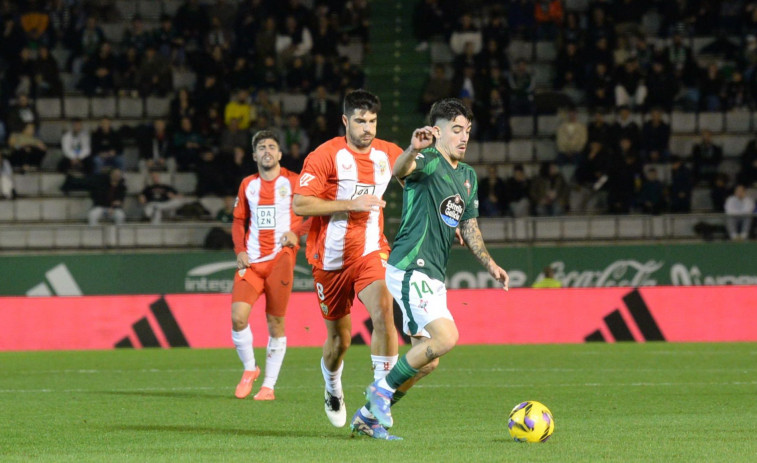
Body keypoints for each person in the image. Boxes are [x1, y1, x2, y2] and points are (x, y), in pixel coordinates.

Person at [360, 97, 509, 435]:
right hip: (411, 266)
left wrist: (490, 264)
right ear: (437, 132)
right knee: (446, 337)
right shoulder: (427, 159)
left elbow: (469, 225)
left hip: (433, 276)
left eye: (467, 130)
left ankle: (369, 417)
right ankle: (380, 392)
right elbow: (401, 170)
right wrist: (412, 149)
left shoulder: (468, 175)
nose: (463, 136)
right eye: (456, 129)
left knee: (429, 361)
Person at [292, 89, 402, 438]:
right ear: (345, 121)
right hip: (329, 260)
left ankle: (378, 400)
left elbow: (418, 173)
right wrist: (348, 205)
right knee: (339, 342)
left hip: (371, 252)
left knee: (384, 307)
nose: (367, 127)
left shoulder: (388, 153)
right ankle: (332, 385)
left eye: (371, 121)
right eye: (359, 120)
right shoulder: (325, 155)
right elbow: (300, 204)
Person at [230, 130, 310, 401]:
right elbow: (239, 221)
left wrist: (296, 233)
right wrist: (240, 250)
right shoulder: (247, 185)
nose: (266, 150)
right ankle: (250, 369)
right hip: (251, 262)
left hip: (281, 260)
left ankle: (269, 386)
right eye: (261, 147)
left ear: (279, 154)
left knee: (275, 322)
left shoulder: (294, 181)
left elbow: (313, 215)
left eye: (272, 146)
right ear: (254, 155)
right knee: (238, 317)